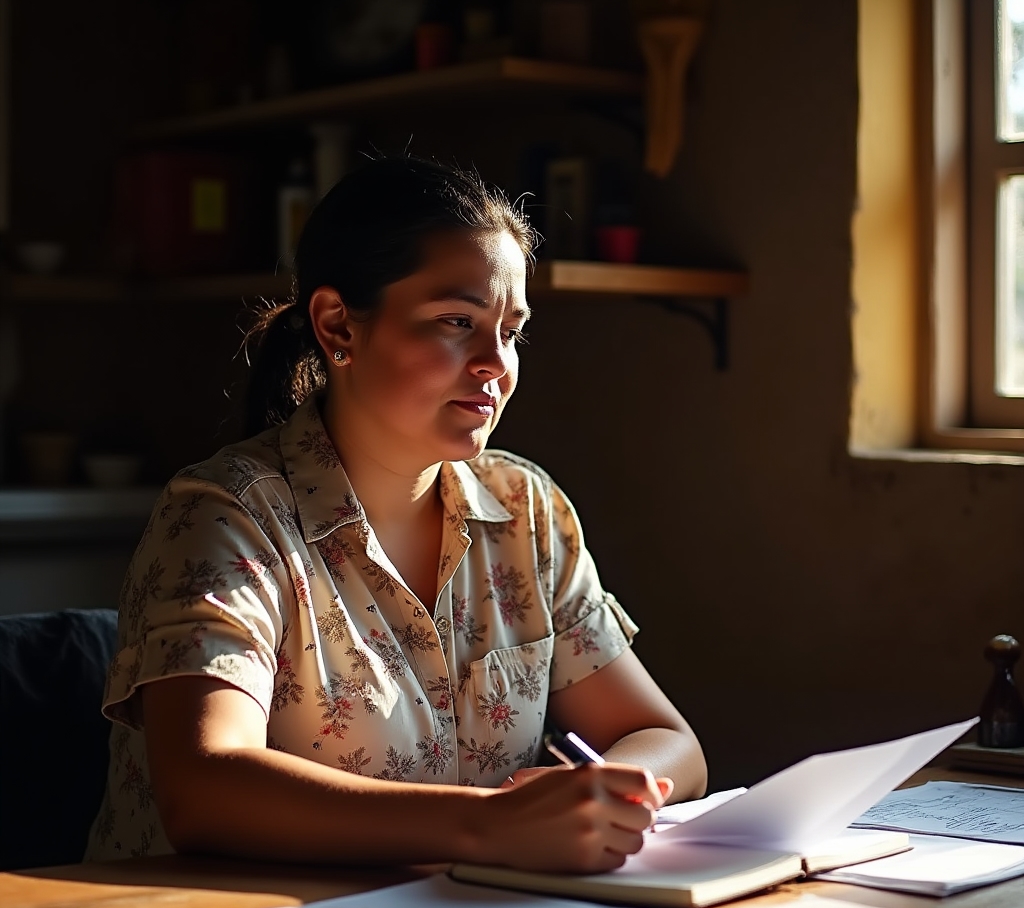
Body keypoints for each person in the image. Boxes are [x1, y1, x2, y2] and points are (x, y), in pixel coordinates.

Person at [86, 156, 707, 871]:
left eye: (511, 330)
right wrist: (489, 825)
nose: (494, 363)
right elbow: (203, 788)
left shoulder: (523, 510)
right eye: (455, 321)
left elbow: (669, 741)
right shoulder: (227, 514)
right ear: (337, 327)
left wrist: (595, 793)